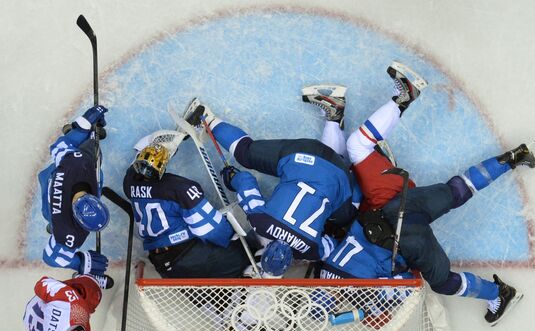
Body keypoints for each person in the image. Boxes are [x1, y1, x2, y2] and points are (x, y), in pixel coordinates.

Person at [312, 63, 535, 324]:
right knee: (457, 190)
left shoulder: (366, 297)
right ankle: (512, 158)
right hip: (393, 208)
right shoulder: (324, 265)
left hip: (409, 240)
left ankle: (500, 292)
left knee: (444, 277)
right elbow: (324, 237)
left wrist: (374, 305)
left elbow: (408, 281)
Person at [183, 97, 358, 275]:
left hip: (336, 170)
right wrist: (231, 178)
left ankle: (354, 159)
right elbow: (246, 181)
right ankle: (206, 117)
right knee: (245, 153)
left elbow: (335, 244)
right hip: (302, 156)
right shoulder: (260, 222)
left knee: (344, 216)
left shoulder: (312, 250)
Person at [123, 139, 252, 278]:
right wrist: (231, 235)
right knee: (244, 256)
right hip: (185, 257)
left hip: (161, 263)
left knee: (204, 294)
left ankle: (210, 299)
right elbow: (208, 229)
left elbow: (138, 158)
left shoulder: (129, 183)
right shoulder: (180, 188)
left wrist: (165, 141)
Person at [38, 105, 111, 277]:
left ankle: (87, 137)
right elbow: (50, 258)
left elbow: (59, 146)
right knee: (93, 161)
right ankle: (89, 138)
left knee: (87, 151)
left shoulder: (74, 163)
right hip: (55, 213)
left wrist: (83, 126)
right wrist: (80, 263)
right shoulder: (69, 233)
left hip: (50, 182)